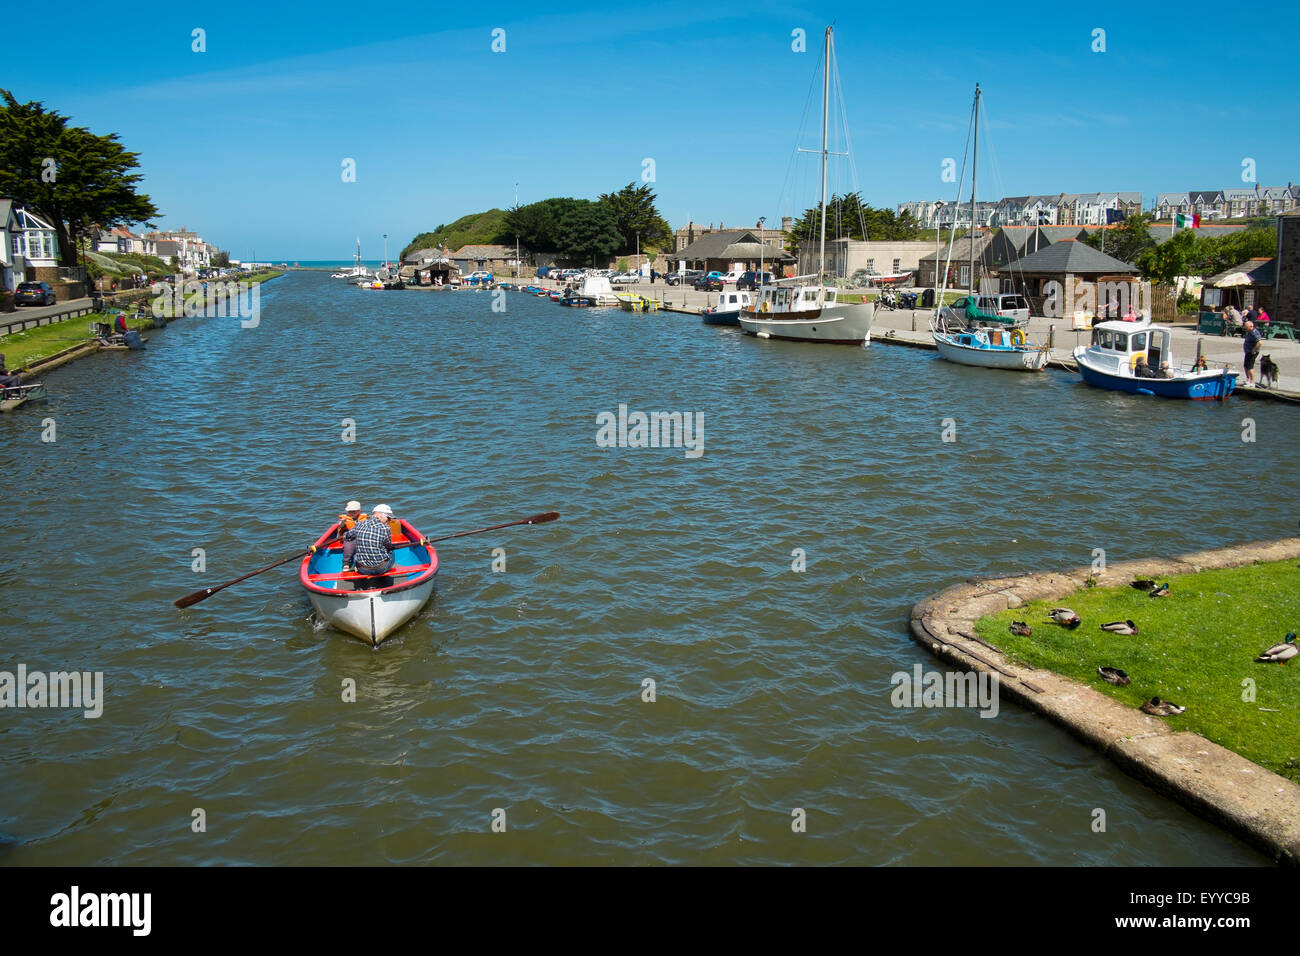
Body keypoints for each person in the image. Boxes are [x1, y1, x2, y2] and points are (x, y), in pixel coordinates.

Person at [349, 503, 397, 577]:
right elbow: (388, 547)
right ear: (379, 515)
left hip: (362, 569)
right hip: (381, 569)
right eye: (388, 518)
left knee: (355, 550)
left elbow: (347, 537)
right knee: (391, 550)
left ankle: (352, 565)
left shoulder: (359, 524)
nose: (389, 521)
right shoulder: (385, 528)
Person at [336, 500, 367, 572]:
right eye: (349, 512)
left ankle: (363, 562)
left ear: (359, 511)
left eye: (354, 511)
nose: (351, 513)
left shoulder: (365, 518)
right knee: (348, 546)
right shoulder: (345, 519)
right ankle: (346, 563)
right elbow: (341, 528)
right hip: (349, 537)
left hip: (361, 536)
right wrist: (342, 525)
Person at [1243, 320, 1262, 386]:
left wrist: (1253, 350)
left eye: (1246, 327)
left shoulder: (1254, 332)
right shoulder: (1249, 332)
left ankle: (1252, 382)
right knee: (1246, 366)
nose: (1245, 328)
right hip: (1247, 351)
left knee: (1250, 367)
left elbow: (1259, 343)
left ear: (1251, 326)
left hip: (1252, 352)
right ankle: (1248, 379)